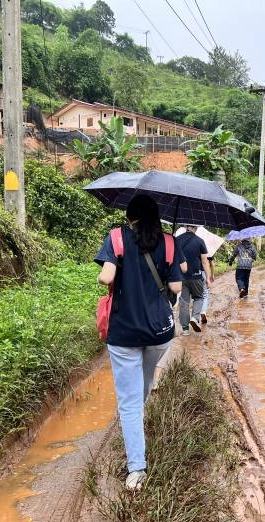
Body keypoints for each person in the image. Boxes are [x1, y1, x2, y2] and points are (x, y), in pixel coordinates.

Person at [95, 194, 183, 491]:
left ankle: (137, 469)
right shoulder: (170, 242)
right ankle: (137, 423)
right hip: (159, 333)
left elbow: (106, 278)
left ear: (129, 215)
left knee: (130, 402)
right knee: (142, 386)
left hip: (124, 333)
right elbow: (175, 286)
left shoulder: (116, 238)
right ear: (156, 216)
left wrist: (111, 270)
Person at [176, 224, 211, 335]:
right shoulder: (200, 240)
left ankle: (185, 329)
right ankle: (195, 318)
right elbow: (205, 262)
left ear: (186, 227)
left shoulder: (177, 240)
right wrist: (208, 278)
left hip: (181, 276)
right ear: (195, 228)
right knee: (199, 297)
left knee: (184, 302)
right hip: (196, 275)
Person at [200, 254, 215, 324]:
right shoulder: (208, 250)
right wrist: (212, 275)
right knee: (205, 294)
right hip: (203, 273)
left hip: (192, 274)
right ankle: (203, 311)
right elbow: (212, 264)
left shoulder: (191, 245)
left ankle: (194, 316)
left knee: (195, 296)